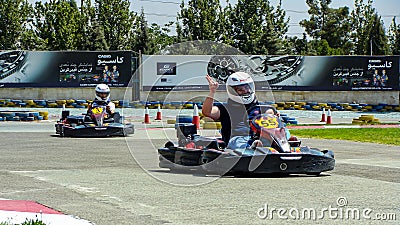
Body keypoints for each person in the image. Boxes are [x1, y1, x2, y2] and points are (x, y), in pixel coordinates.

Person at [203, 72, 263, 149]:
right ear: (232, 91)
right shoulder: (225, 108)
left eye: (247, 88)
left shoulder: (260, 107)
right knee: (237, 142)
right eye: (240, 89)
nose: (245, 91)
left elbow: (271, 117)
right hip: (237, 139)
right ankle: (250, 148)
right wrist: (212, 92)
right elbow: (207, 112)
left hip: (259, 137)